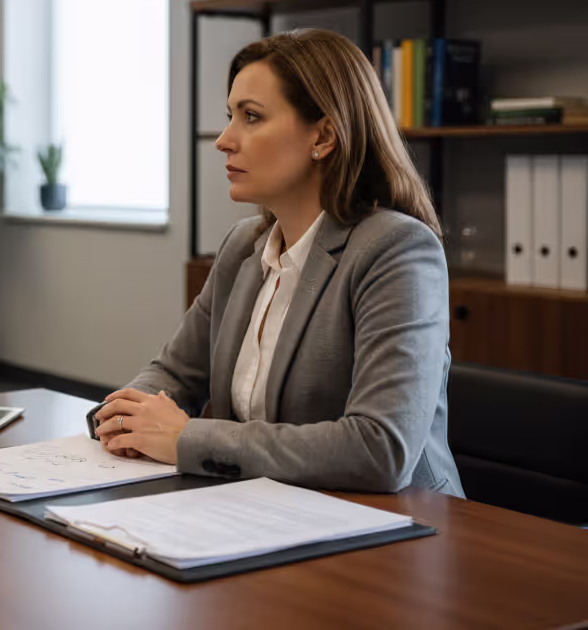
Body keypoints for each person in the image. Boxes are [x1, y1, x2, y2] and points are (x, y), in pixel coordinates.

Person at [95, 28, 463, 495]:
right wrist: (126, 415)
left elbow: (379, 449)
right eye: (230, 116)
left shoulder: (397, 250)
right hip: (268, 511)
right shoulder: (242, 245)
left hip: (397, 530)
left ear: (324, 136)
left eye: (251, 117)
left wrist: (188, 438)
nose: (224, 140)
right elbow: (174, 373)